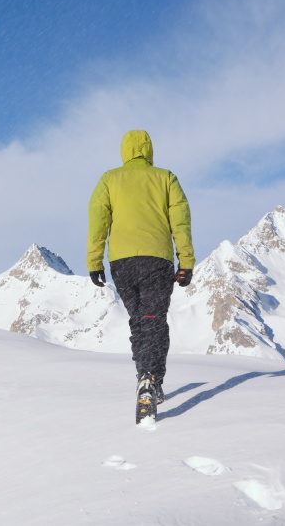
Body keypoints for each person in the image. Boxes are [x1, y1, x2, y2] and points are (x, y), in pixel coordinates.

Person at [86, 129, 194, 423]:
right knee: (154, 320)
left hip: (122, 263)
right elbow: (180, 222)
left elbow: (98, 221)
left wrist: (94, 261)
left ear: (123, 151)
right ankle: (151, 380)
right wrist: (186, 261)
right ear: (149, 150)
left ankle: (143, 377)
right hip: (157, 260)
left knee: (138, 322)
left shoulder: (109, 179)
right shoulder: (166, 177)